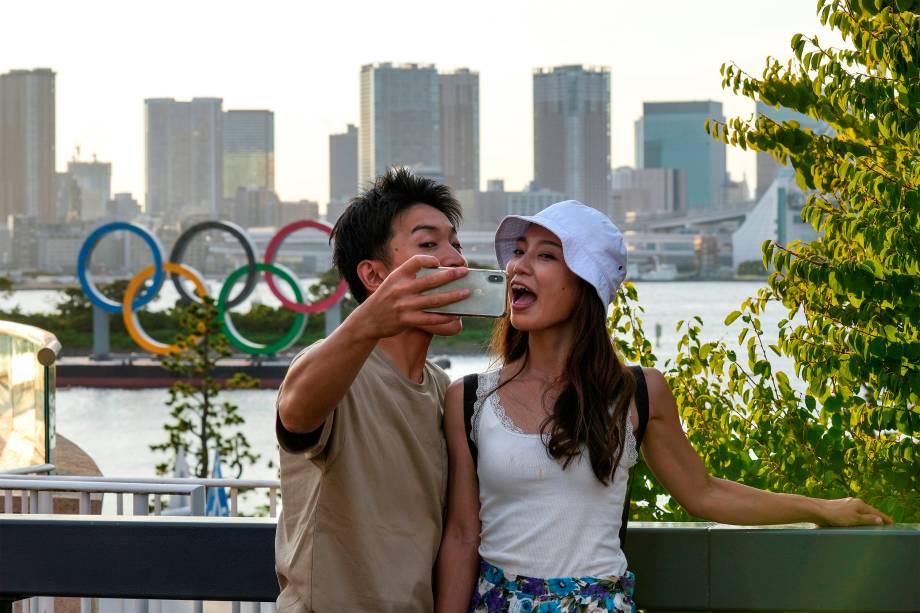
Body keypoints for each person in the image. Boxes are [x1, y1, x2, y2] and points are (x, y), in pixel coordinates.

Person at [434, 200, 892, 613]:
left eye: (547, 255)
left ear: (587, 282)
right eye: (519, 250)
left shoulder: (637, 392)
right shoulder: (471, 398)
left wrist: (820, 509)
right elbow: (461, 536)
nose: (519, 266)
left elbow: (704, 492)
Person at [274, 167, 471, 612]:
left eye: (455, 243)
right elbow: (295, 414)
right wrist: (371, 318)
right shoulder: (334, 367)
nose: (456, 261)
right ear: (374, 276)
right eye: (428, 245)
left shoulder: (446, 391)